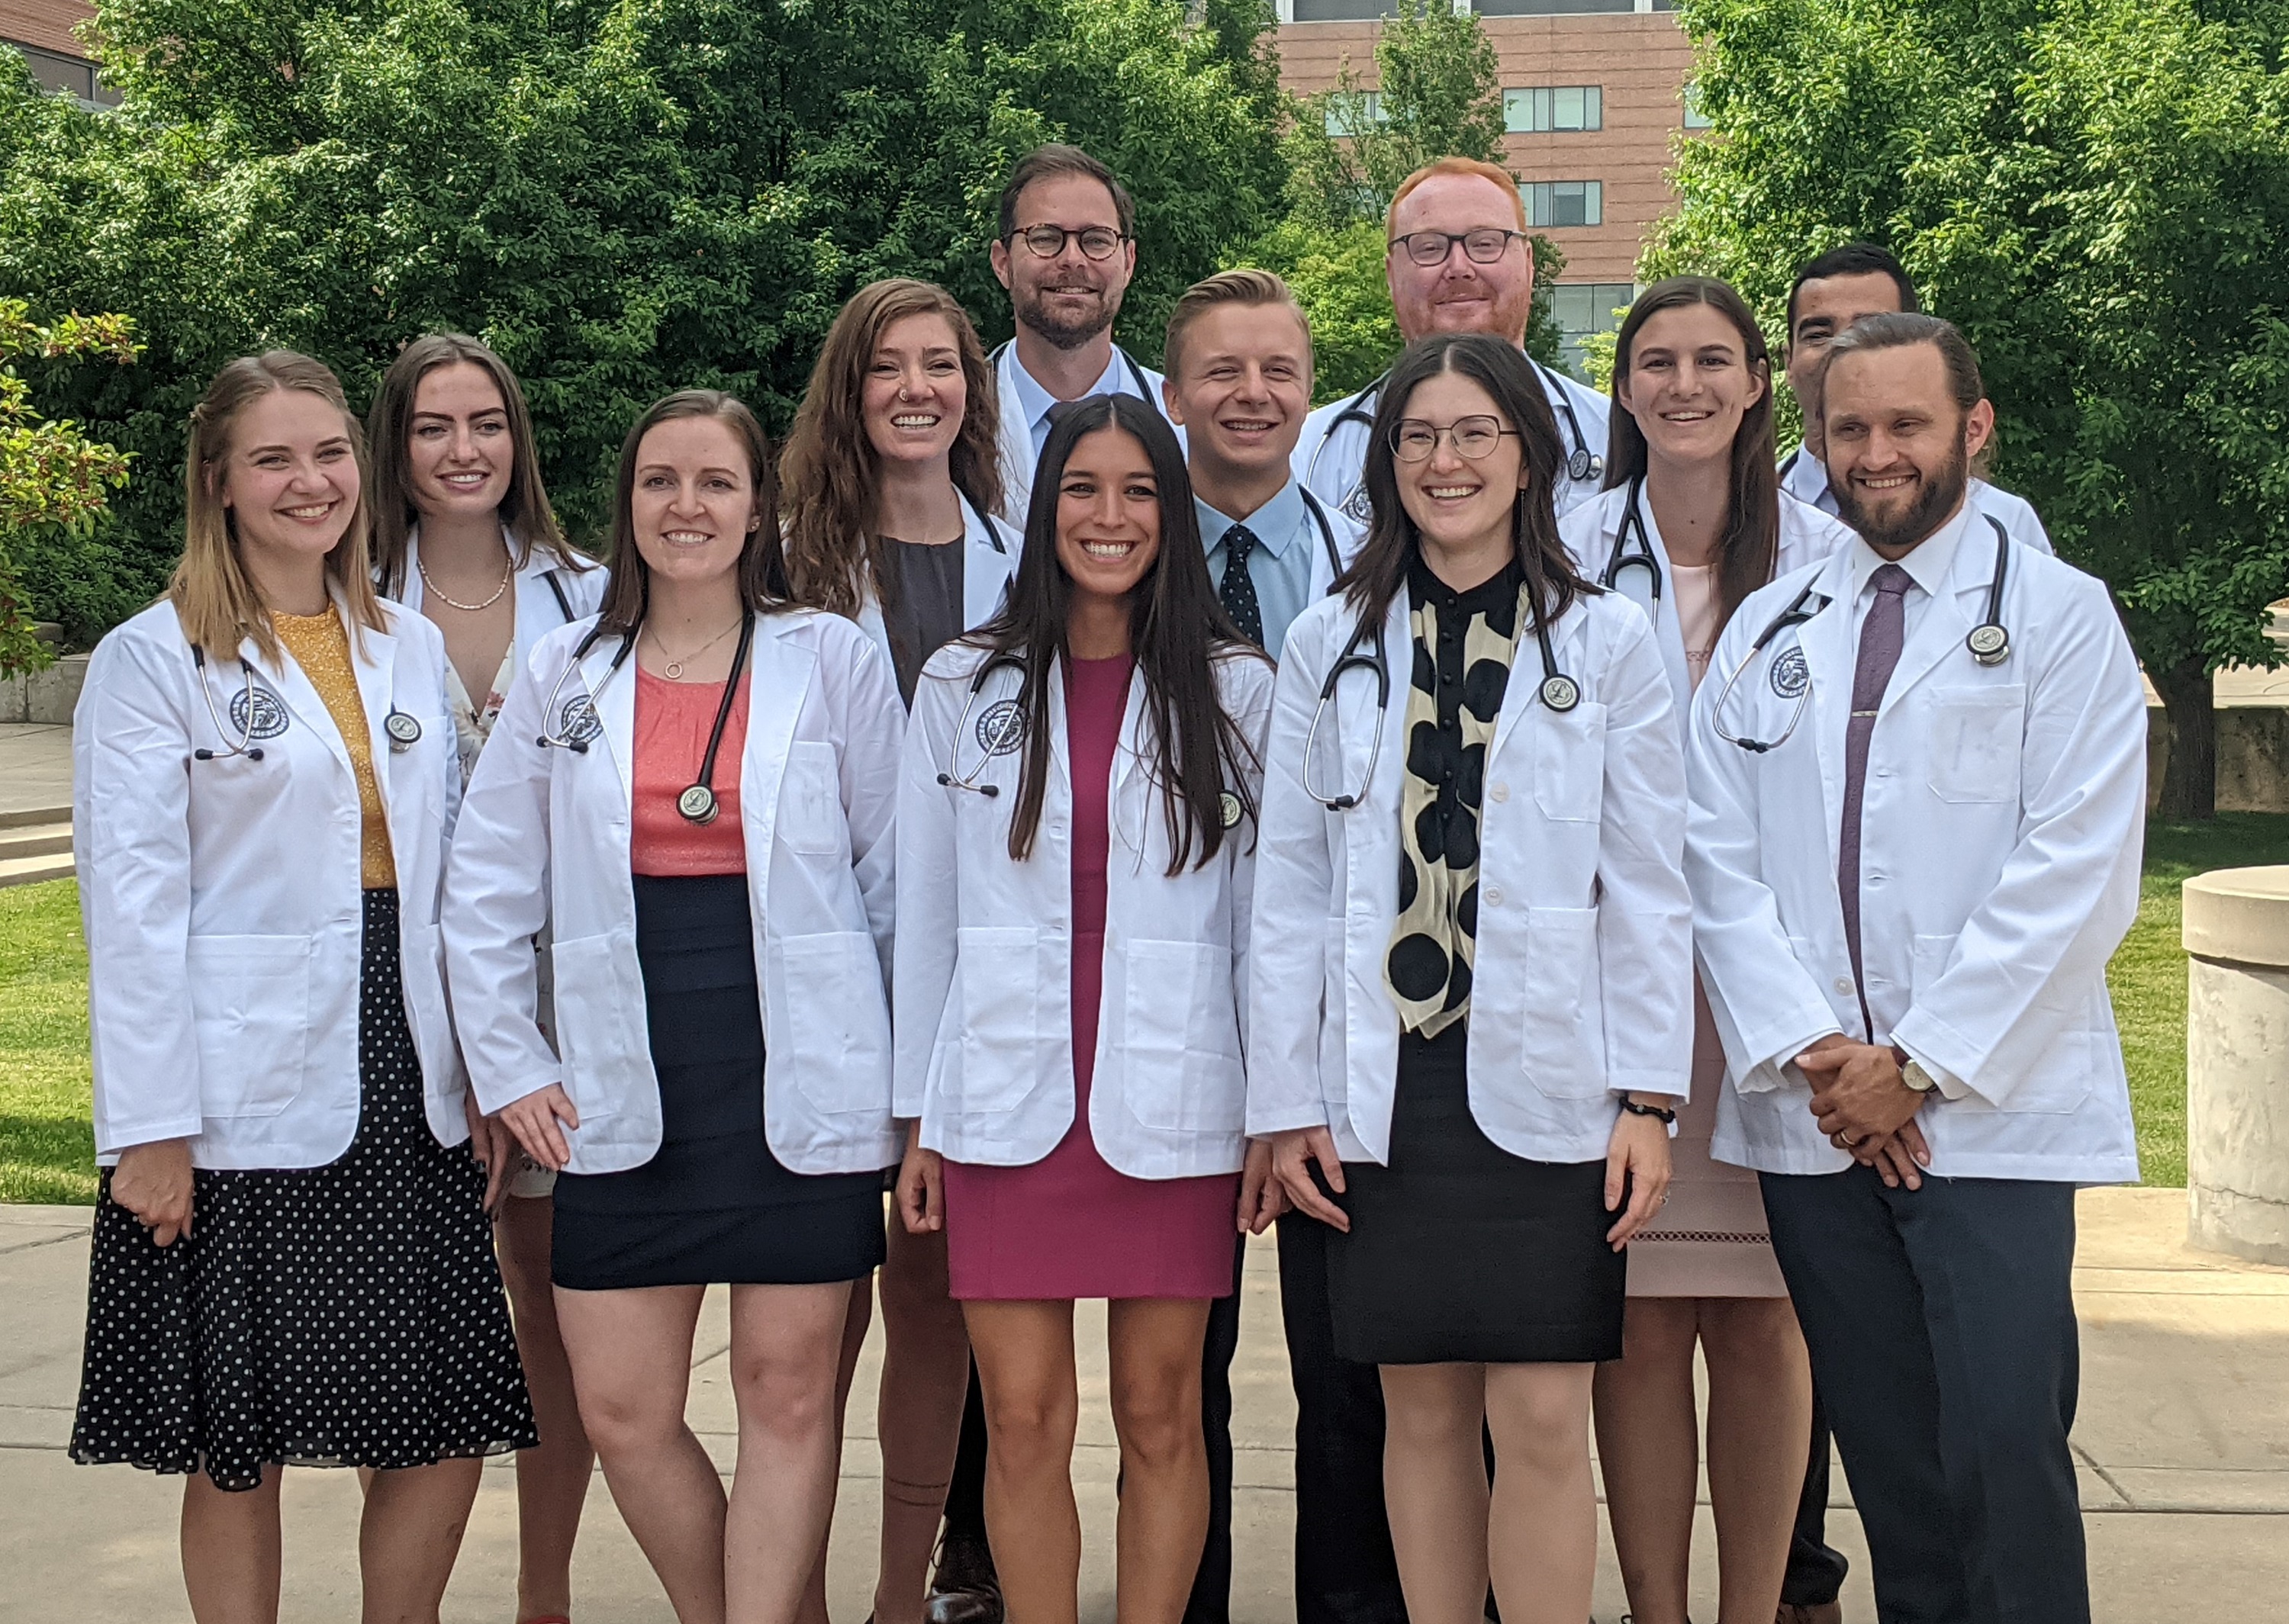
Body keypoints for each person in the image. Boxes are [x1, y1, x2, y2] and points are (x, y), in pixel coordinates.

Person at [1687, 313, 2146, 1624]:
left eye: (1906, 424)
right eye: (1849, 429)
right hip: (1818, 1113)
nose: (1876, 453)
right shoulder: (1777, 622)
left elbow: (2079, 863)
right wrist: (1826, 1056)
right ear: (1817, 443)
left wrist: (1921, 1064)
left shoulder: (2058, 617)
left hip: (1986, 1119)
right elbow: (1713, 853)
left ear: (1974, 428)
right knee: (1893, 1466)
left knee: (2004, 1454)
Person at [69, 350, 536, 1622]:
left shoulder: (407, 646)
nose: (310, 480)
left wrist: (485, 1070)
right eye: (274, 457)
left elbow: (453, 881)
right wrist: (151, 1127)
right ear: (218, 479)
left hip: (412, 1067)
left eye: (329, 452)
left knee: (441, 1412)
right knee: (244, 1421)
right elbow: (132, 908)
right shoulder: (152, 660)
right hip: (234, 1097)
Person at [443, 389, 905, 1624]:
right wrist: (510, 1062)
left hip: (797, 1060)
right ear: (628, 501)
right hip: (620, 1065)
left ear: (760, 506)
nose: (687, 506)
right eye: (662, 481)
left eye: (715, 482)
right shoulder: (566, 668)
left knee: (789, 1393)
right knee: (624, 1408)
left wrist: (911, 1093)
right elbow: (485, 889)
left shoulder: (832, 656)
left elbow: (898, 882)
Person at [1252, 333, 1692, 1624]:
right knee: (1420, 1403)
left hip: (1552, 1086)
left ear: (1528, 454)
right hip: (1382, 1093)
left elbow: (1652, 886)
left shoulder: (1606, 639)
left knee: (1547, 1412)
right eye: (1419, 437)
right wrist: (1285, 1101)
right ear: (1388, 463)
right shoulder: (1329, 637)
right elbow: (1284, 888)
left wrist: (1647, 1101)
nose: (1445, 461)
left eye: (1473, 434)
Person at [894, 394, 1276, 1624]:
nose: (1109, 518)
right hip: (1006, 1098)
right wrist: (923, 1116)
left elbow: (1269, 926)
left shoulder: (1237, 689)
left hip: (1174, 1099)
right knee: (1020, 1417)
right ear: (1042, 507)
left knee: (1163, 1413)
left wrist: (1277, 1110)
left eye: (1138, 491)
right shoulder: (967, 679)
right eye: (1082, 490)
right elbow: (926, 912)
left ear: (1172, 511)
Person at [1559, 278, 1851, 1624]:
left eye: (1713, 361)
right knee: (1636, 1319)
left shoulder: (1829, 561)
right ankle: (1657, 1610)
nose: (1685, 383)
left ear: (1757, 386)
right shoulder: (1557, 547)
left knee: (1765, 1317)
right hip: (1613, 985)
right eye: (1656, 361)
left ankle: (1752, 1609)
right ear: (1621, 389)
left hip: (1774, 988)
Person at [777, 277, 1020, 1624]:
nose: (917, 386)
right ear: (849, 391)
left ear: (970, 388)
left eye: (941, 362)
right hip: (818, 978)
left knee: (935, 1306)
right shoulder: (784, 564)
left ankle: (898, 1589)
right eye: (889, 366)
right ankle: (793, 1583)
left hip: (965, 987)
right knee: (812, 1324)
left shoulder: (1024, 553)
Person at [367, 330, 607, 1624]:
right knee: (411, 1322)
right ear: (393, 447)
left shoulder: (596, 593)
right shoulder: (347, 600)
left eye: (487, 423)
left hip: (549, 998)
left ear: (518, 438)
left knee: (548, 1307)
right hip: (394, 999)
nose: (464, 450)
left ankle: (545, 1589)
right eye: (432, 427)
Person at [1155, 265, 1361, 1623]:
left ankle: (1360, 1602)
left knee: (1353, 1359)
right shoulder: (1110, 544)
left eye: (1277, 370)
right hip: (1164, 1012)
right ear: (1172, 394)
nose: (1249, 394)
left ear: (1310, 392)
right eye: (1221, 372)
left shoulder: (1375, 559)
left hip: (1341, 1015)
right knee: (1177, 1369)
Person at [1295, 158, 1610, 531]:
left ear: (1528, 263)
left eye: (1486, 243)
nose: (1459, 267)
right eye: (1429, 248)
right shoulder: (1311, 452)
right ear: (1392, 274)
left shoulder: (1612, 435)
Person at [1779, 244, 2052, 557]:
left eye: (1871, 330)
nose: (1841, 350)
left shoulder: (2005, 522)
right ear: (1789, 361)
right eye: (1818, 334)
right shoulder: (1745, 518)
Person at [989, 144, 1175, 525]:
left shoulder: (1184, 427)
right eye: (1044, 238)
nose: (1073, 259)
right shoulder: (949, 422)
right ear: (1003, 263)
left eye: (1096, 240)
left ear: (1128, 263)